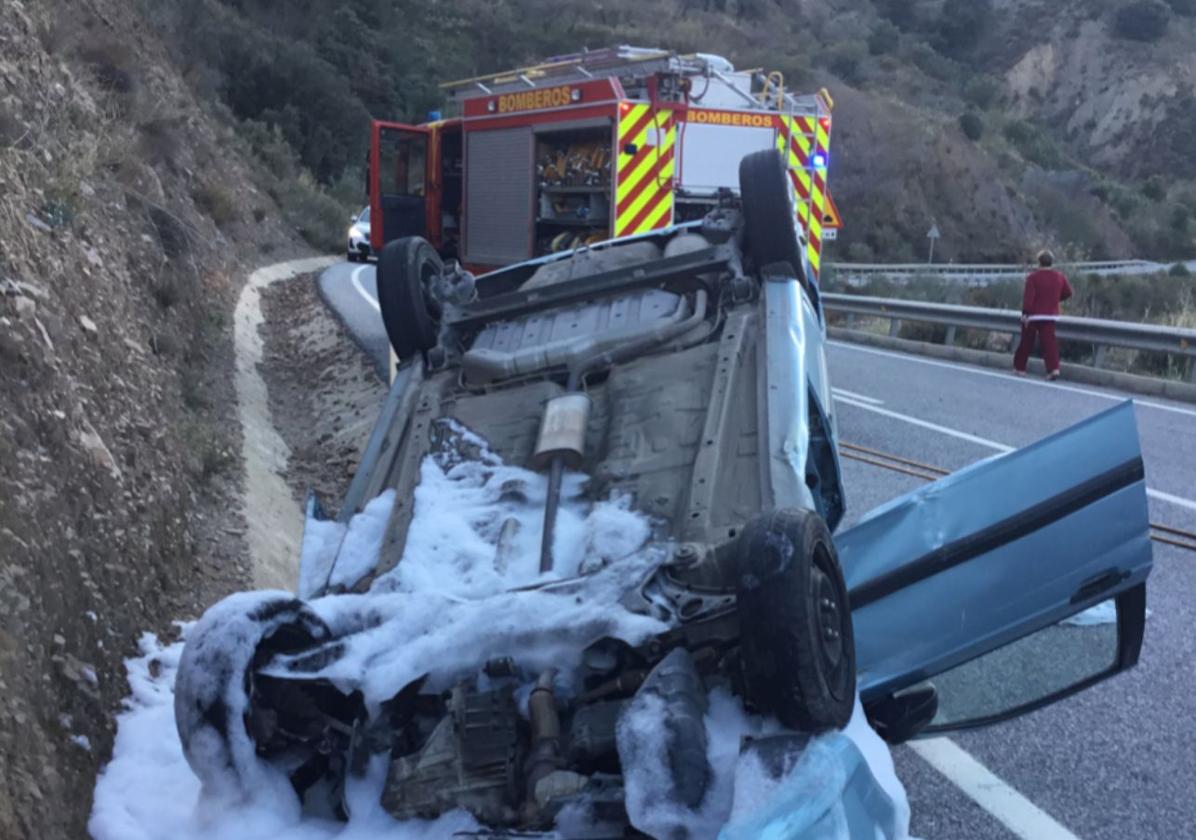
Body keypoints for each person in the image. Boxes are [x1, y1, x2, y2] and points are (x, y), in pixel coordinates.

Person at [1014, 249, 1073, 380]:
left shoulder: (1033, 278)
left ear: (1039, 262)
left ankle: (1020, 368)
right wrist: (1055, 299)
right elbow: (1068, 292)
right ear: (1052, 262)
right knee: (1049, 344)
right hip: (1050, 315)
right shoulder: (1059, 277)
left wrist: (1025, 314)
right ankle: (1053, 369)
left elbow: (1029, 298)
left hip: (1034, 315)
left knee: (1026, 342)